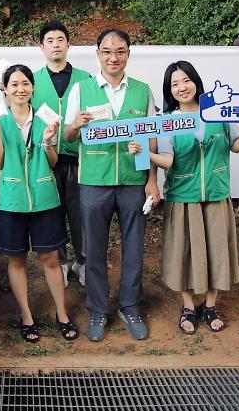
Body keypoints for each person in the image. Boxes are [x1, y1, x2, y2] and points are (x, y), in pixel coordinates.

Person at [128, 61, 239, 334]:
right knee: (185, 253)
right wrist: (142, 153)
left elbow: (236, 145)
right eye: (174, 84)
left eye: (186, 80)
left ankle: (211, 305)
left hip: (216, 194)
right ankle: (188, 306)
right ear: (169, 90)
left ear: (196, 82)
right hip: (183, 197)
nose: (181, 87)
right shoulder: (168, 121)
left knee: (217, 251)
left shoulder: (217, 113)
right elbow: (167, 160)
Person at [63, 29, 160, 342]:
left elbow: (151, 137)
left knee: (134, 248)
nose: (113, 57)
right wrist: (76, 124)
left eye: (120, 51)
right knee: (94, 250)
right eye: (107, 51)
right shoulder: (82, 89)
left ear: (128, 54)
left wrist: (151, 180)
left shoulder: (143, 91)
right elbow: (67, 136)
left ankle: (130, 306)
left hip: (133, 182)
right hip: (94, 181)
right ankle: (98, 310)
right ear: (98, 55)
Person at [0, 64, 78, 343]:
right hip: (11, 201)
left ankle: (63, 314)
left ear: (32, 87)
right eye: (14, 85)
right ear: (5, 89)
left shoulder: (47, 118)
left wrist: (48, 141)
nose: (20, 89)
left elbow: (52, 162)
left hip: (45, 199)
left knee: (50, 257)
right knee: (17, 259)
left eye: (25, 83)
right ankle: (27, 317)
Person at [31, 20, 91, 287]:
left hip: (80, 157)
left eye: (60, 40)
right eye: (50, 41)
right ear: (41, 46)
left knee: (81, 214)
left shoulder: (85, 79)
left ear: (68, 44)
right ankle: (62, 263)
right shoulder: (31, 81)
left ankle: (83, 262)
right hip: (46, 158)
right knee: (53, 212)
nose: (56, 45)